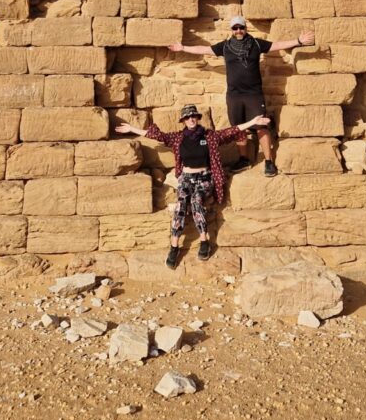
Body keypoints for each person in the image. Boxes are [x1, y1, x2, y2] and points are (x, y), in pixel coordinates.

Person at [114, 104, 270, 268]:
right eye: (187, 117)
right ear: (183, 121)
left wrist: (253, 121)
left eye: (193, 116)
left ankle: (204, 241)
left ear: (198, 118)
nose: (191, 119)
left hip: (204, 178)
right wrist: (132, 128)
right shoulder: (178, 138)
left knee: (196, 201)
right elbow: (156, 135)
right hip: (186, 178)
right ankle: (174, 247)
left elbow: (232, 130)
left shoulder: (209, 136)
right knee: (181, 205)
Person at [168, 17, 315, 177]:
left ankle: (268, 161)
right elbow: (204, 49)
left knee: (261, 126)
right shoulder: (225, 46)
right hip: (234, 96)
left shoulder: (256, 44)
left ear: (245, 28)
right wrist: (183, 48)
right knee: (239, 128)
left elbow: (277, 45)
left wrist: (298, 41)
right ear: (232, 30)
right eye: (235, 28)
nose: (238, 31)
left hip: (254, 95)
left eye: (241, 28)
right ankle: (244, 159)